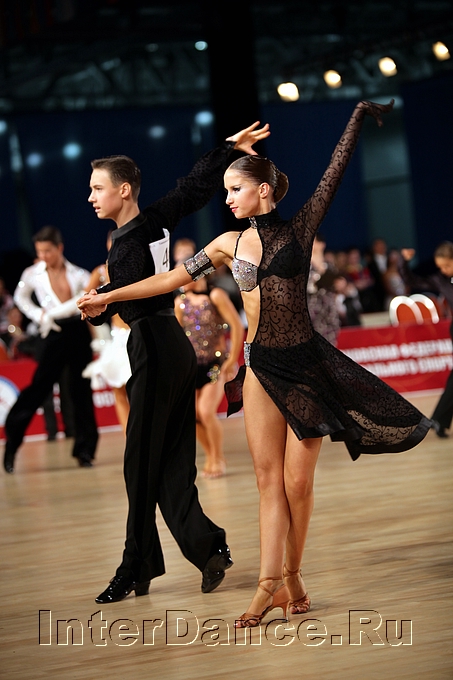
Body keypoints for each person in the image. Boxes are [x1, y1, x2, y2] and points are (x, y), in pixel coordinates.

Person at [78, 100, 431, 627]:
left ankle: (293, 574)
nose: (226, 199)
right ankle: (268, 587)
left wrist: (357, 118)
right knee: (268, 483)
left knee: (297, 485)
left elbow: (334, 173)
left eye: (234, 189)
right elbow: (170, 279)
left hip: (305, 366)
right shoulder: (226, 243)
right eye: (224, 191)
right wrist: (109, 296)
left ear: (263, 190)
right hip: (260, 366)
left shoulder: (300, 228)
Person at [79, 120, 270, 605]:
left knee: (140, 464)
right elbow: (195, 187)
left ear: (124, 190)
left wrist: (103, 298)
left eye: (98, 188)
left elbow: (134, 295)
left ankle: (134, 567)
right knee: (170, 462)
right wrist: (229, 148)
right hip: (174, 344)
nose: (91, 197)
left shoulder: (126, 243)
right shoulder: (156, 219)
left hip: (155, 345)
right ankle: (207, 550)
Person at [3, 226, 98, 472]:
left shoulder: (79, 274)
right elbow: (21, 298)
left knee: (81, 391)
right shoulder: (32, 273)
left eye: (47, 251)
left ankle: (85, 450)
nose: (43, 256)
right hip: (52, 334)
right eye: (39, 251)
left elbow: (83, 301)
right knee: (38, 389)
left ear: (59, 248)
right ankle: (12, 444)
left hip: (76, 332)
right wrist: (39, 315)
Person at [174, 273, 244, 478]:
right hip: (190, 366)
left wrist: (232, 359)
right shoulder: (180, 302)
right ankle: (210, 456)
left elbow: (237, 325)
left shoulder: (216, 296)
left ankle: (218, 457)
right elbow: (176, 336)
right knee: (193, 415)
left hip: (215, 363)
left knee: (205, 412)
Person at [401, 242, 453, 438]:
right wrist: (404, 262)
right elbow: (411, 280)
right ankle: (439, 420)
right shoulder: (439, 280)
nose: (443, 270)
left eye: (446, 265)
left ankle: (439, 420)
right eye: (440, 267)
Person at [82, 232, 131, 433]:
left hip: (137, 332)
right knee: (119, 389)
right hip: (117, 337)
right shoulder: (101, 271)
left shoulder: (135, 268)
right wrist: (97, 335)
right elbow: (84, 301)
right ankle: (129, 438)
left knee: (140, 389)